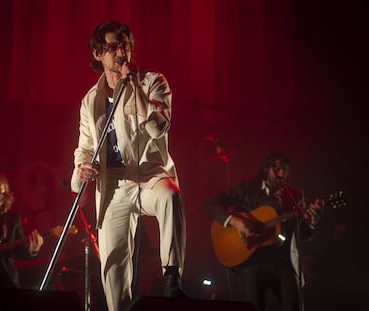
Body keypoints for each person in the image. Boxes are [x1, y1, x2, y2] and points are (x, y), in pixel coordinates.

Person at [70, 20, 186, 311]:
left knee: (171, 196)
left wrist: (134, 88)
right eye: (111, 46)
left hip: (149, 175)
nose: (120, 51)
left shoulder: (153, 82)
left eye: (124, 44)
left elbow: (160, 128)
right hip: (115, 184)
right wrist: (82, 167)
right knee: (113, 267)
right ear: (98, 54)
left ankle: (171, 275)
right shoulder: (90, 101)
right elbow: (84, 146)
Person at [203, 150, 323, 311]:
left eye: (286, 169)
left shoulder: (294, 195)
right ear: (267, 169)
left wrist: (313, 222)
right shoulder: (247, 188)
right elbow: (210, 205)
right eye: (278, 168)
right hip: (253, 261)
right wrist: (236, 222)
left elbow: (304, 233)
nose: (282, 173)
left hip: (283, 262)